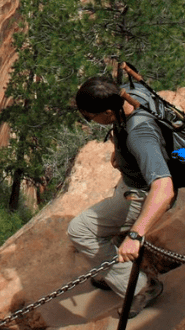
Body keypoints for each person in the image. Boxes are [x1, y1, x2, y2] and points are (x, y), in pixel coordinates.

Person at [68, 76, 175, 316]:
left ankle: (140, 288)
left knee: (79, 230)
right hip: (132, 179)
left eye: (89, 116)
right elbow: (122, 125)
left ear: (107, 112)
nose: (89, 120)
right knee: (107, 222)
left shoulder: (140, 135)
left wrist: (136, 236)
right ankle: (112, 267)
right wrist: (119, 148)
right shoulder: (124, 94)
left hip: (140, 193)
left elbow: (164, 188)